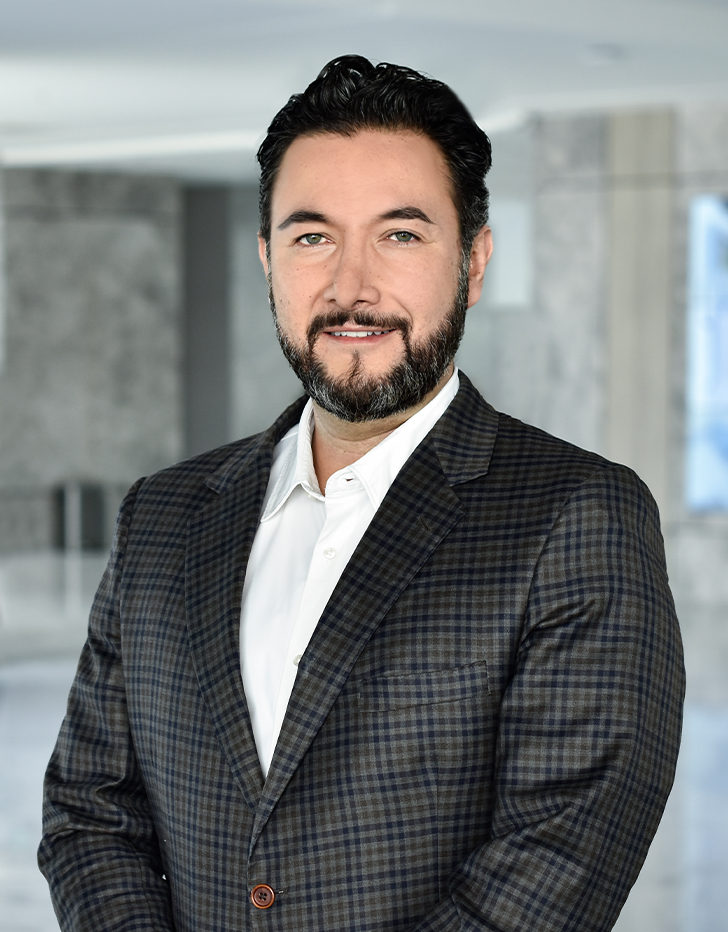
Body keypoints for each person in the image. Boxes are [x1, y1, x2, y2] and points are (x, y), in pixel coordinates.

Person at [39, 55, 684, 932]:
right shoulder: (163, 514)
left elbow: (558, 861)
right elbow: (90, 810)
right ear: (267, 258)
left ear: (474, 260)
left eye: (401, 234)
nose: (352, 286)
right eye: (312, 236)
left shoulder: (576, 516)